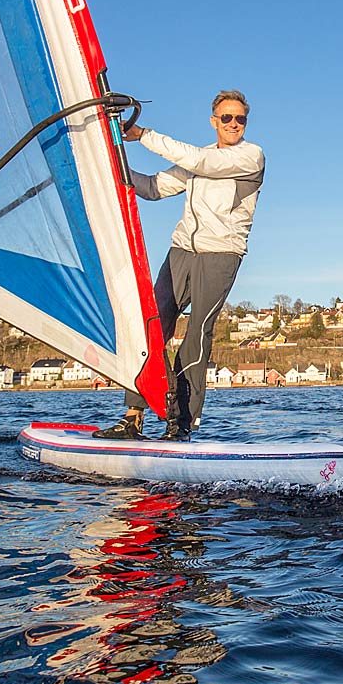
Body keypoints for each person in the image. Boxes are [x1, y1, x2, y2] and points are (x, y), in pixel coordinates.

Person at [99, 90, 264, 441]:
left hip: (221, 255)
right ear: (214, 121)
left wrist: (143, 135)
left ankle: (181, 425)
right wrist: (109, 157)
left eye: (240, 119)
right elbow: (152, 188)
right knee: (153, 326)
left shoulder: (250, 156)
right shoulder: (198, 158)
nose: (233, 124)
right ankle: (133, 416)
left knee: (196, 334)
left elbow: (203, 165)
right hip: (180, 253)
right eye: (227, 118)